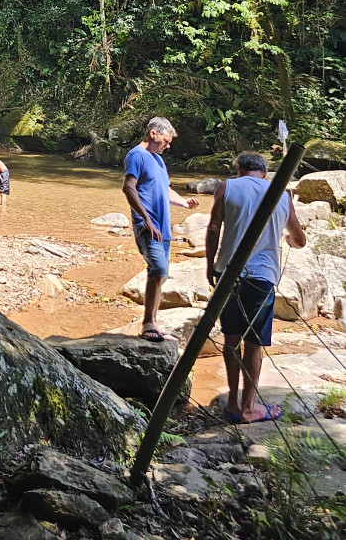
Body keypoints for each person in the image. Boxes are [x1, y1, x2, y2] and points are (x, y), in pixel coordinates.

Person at [205, 152, 306, 423]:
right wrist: (289, 236)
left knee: (230, 340)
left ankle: (233, 405)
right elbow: (299, 239)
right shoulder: (281, 195)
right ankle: (249, 409)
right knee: (254, 345)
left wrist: (210, 265)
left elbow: (214, 228)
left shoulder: (227, 187)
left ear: (239, 169)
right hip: (262, 278)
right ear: (265, 172)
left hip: (229, 274)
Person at [122, 117, 199, 342]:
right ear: (153, 133)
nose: (168, 145)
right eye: (165, 140)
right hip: (148, 225)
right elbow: (128, 188)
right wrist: (145, 218)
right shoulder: (137, 155)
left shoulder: (158, 160)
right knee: (156, 268)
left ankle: (152, 320)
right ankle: (148, 323)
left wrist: (184, 203)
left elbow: (165, 191)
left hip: (162, 226)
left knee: (162, 273)